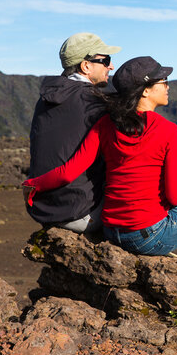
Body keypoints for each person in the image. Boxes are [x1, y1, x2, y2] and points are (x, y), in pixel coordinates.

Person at [22, 56, 177, 270]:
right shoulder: (169, 131)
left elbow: (69, 171)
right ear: (146, 90)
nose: (168, 86)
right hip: (148, 236)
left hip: (111, 231)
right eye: (163, 81)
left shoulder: (105, 125)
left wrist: (34, 184)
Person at [26, 32, 120, 233]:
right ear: (86, 66)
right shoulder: (94, 103)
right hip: (80, 211)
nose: (111, 66)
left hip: (42, 208)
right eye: (106, 61)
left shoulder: (45, 100)